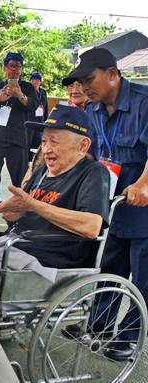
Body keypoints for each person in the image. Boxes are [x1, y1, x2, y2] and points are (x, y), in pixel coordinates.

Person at [0, 105, 110, 310]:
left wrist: (33, 204)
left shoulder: (93, 173)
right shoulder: (43, 170)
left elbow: (91, 226)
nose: (46, 149)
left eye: (54, 141)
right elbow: (23, 210)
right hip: (17, 245)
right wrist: (7, 210)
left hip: (48, 260)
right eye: (44, 141)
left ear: (83, 145)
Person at [61, 48, 148, 360]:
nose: (84, 88)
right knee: (110, 266)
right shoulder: (94, 111)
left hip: (144, 205)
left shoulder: (143, 102)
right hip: (116, 203)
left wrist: (143, 183)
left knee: (144, 276)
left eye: (89, 80)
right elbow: (97, 155)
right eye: (80, 83)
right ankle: (98, 324)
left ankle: (128, 337)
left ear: (112, 73)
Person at [0, 52, 40, 217]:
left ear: (22, 69)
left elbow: (33, 105)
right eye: (12, 66)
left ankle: (21, 209)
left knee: (20, 179)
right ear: (5, 68)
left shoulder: (27, 88)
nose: (15, 70)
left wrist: (19, 95)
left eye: (19, 66)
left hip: (18, 139)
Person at [27, 71, 48, 160]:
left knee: (38, 145)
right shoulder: (27, 92)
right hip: (30, 122)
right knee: (28, 143)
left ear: (40, 81)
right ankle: (27, 162)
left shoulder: (43, 92)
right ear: (30, 81)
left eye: (38, 80)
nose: (36, 82)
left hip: (40, 122)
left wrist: (46, 121)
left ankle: (37, 163)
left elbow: (46, 107)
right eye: (34, 80)